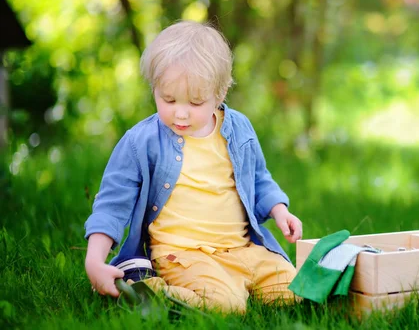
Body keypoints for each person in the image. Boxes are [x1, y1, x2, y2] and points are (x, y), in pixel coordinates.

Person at [84, 20, 303, 313]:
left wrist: (280, 210)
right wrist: (94, 261)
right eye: (169, 99)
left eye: (196, 102)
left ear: (220, 93)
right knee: (226, 306)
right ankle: (143, 287)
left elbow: (259, 178)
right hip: (184, 255)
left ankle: (234, 283)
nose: (181, 113)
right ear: (155, 89)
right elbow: (113, 204)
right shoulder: (141, 142)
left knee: (298, 293)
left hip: (243, 250)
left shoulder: (239, 129)